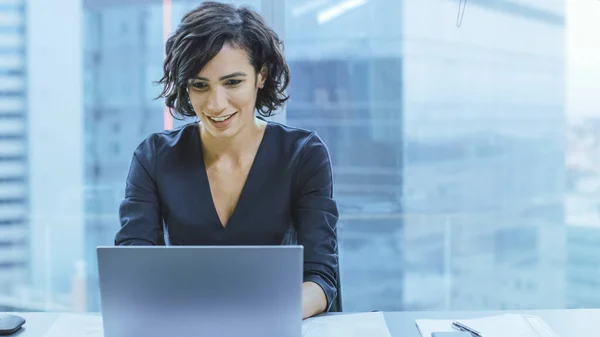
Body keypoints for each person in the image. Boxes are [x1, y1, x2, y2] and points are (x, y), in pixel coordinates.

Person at [115, 1, 339, 319]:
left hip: (274, 323)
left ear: (260, 76)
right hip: (186, 323)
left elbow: (321, 279)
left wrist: (258, 316)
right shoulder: (153, 157)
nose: (216, 105)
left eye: (232, 82)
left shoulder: (303, 154)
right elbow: (132, 267)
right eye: (200, 85)